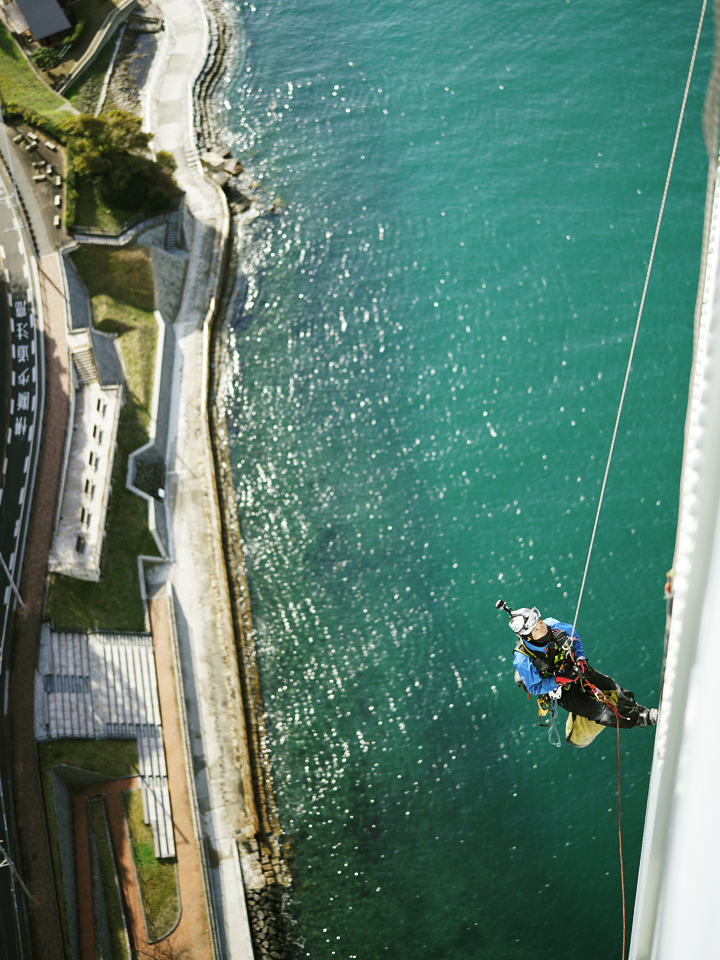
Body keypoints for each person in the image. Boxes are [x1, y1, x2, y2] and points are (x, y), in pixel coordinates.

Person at [502, 604, 657, 729]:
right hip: (560, 690)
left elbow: (575, 640)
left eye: (540, 622)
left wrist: (581, 660)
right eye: (536, 629)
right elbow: (535, 687)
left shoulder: (554, 626)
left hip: (575, 667)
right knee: (599, 712)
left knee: (612, 686)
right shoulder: (523, 659)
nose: (543, 628)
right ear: (527, 637)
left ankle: (636, 707)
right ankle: (641, 719)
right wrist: (559, 679)